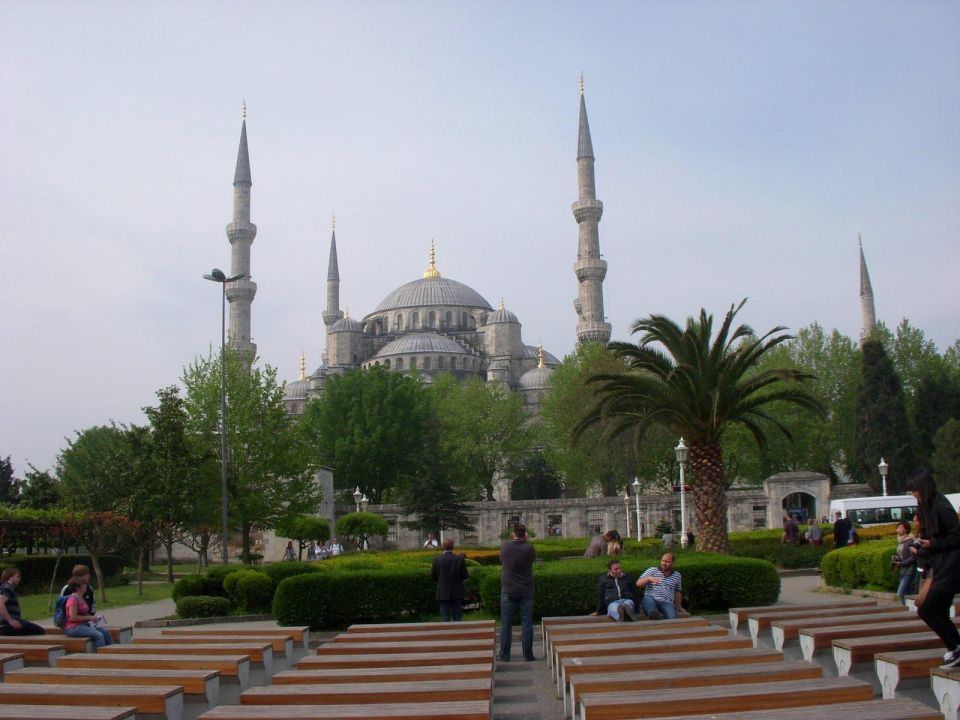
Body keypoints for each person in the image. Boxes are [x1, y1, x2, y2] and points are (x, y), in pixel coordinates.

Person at [906, 468, 960, 668]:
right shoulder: (925, 506)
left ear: (923, 487)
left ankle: (955, 646)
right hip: (940, 564)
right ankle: (954, 648)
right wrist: (920, 550)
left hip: (950, 566)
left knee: (927, 609)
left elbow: (956, 536)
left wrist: (932, 545)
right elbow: (932, 540)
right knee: (939, 611)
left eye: (914, 490)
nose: (913, 495)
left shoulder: (941, 506)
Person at [498, 523, 536, 662]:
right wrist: (525, 541)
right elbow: (532, 560)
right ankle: (528, 654)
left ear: (513, 534)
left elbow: (502, 560)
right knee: (527, 622)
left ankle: (504, 654)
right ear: (525, 534)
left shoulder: (505, 546)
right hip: (526, 588)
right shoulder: (529, 547)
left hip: (508, 588)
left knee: (506, 623)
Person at [64, 579, 111, 648]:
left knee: (106, 633)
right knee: (99, 635)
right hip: (73, 627)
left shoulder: (81, 597)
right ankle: (102, 657)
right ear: (77, 587)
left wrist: (94, 618)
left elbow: (83, 613)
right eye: (84, 584)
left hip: (84, 624)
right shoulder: (72, 599)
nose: (86, 586)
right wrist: (89, 617)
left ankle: (113, 652)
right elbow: (73, 617)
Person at [431, 538, 469, 621]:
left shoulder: (437, 560)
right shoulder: (459, 559)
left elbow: (433, 576)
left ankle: (446, 633)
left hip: (443, 592)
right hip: (457, 591)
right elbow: (465, 576)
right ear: (453, 547)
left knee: (445, 619)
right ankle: (457, 633)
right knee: (458, 618)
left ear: (443, 547)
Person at [636, 553, 683, 620]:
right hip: (651, 599)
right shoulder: (652, 570)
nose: (664, 563)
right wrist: (649, 579)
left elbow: (677, 592)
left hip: (666, 602)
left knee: (672, 618)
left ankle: (658, 618)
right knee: (650, 605)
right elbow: (638, 583)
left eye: (667, 562)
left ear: (673, 563)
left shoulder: (677, 575)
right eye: (663, 561)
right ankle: (655, 615)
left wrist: (679, 607)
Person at [0, 567, 45, 636]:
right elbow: (0, 603)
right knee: (40, 631)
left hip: (7, 624)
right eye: (17, 577)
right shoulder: (6, 588)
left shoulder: (5, 587)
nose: (19, 579)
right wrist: (10, 621)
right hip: (7, 625)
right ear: (10, 577)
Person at [893, 520, 918, 605]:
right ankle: (914, 607)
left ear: (906, 530)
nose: (898, 529)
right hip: (902, 570)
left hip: (909, 570)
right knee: (908, 591)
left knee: (900, 592)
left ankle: (904, 608)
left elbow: (913, 558)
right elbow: (901, 554)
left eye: (900, 527)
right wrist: (896, 561)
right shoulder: (900, 541)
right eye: (898, 527)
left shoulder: (909, 541)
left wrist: (901, 563)